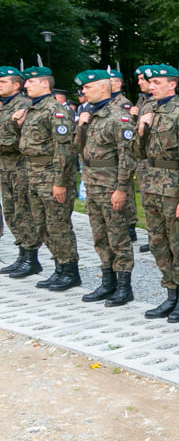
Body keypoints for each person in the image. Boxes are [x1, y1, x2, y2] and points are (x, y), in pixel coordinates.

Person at [131, 64, 179, 322]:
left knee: (178, 244)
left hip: (173, 189)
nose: (152, 86)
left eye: (158, 82)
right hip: (150, 186)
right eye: (151, 82)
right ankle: (170, 294)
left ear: (172, 84)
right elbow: (136, 152)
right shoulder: (148, 109)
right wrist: (141, 130)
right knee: (158, 242)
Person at [11, 66, 80, 289]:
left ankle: (70, 271)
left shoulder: (55, 110)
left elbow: (64, 150)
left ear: (44, 84)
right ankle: (59, 267)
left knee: (58, 224)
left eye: (31, 82)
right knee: (41, 224)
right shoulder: (32, 109)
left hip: (51, 174)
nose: (26, 86)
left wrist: (60, 182)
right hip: (33, 173)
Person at [73, 69, 136, 305]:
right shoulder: (89, 113)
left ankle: (123, 286)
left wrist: (121, 189)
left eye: (87, 87)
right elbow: (76, 147)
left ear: (102, 87)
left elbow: (127, 157)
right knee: (100, 236)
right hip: (92, 182)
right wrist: (81, 125)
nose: (83, 92)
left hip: (111, 185)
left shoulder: (119, 117)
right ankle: (107, 282)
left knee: (118, 236)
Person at [0, 67, 38, 277]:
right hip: (4, 165)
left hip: (20, 165)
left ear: (16, 85)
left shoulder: (23, 106)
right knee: (10, 212)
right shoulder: (2, 106)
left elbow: (25, 139)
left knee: (23, 211)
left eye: (2, 82)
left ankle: (31, 258)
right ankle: (22, 253)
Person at [108, 67, 138, 242]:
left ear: (118, 84)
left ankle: (131, 224)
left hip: (122, 151)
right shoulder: (106, 102)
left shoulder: (123, 103)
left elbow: (127, 130)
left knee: (126, 189)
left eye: (111, 82)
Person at [131, 65, 155, 253]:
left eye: (142, 79)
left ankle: (156, 238)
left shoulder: (155, 102)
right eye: (138, 79)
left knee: (156, 202)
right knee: (147, 201)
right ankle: (152, 236)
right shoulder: (141, 101)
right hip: (142, 160)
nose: (139, 82)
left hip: (153, 161)